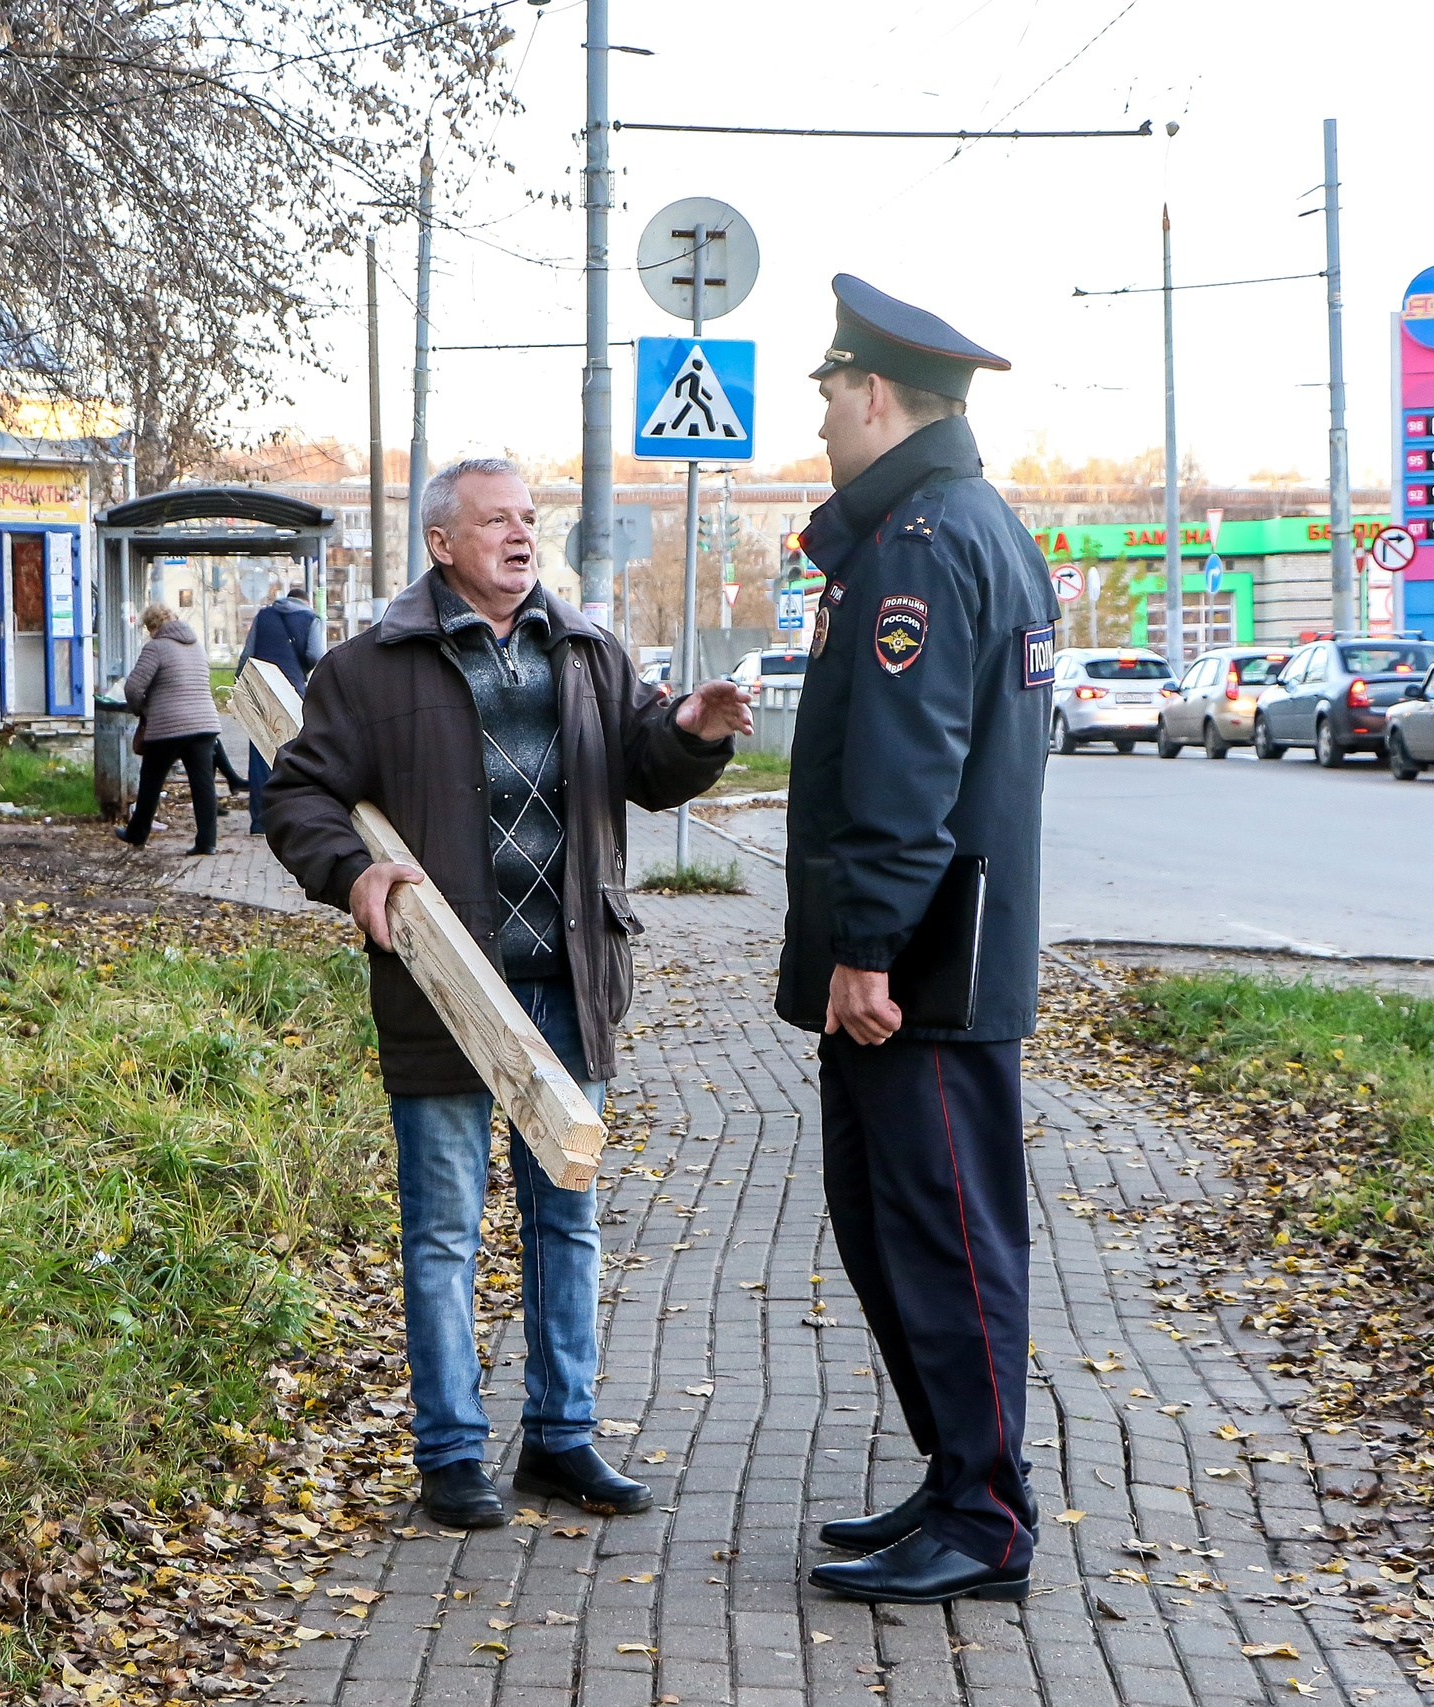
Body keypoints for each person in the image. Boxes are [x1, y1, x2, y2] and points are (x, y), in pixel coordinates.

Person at [266, 458, 752, 1529]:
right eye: (496, 521)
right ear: (443, 543)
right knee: (443, 1228)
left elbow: (645, 768)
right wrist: (353, 873)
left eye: (529, 518)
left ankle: (561, 1440)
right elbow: (296, 792)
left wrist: (693, 734)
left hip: (569, 985)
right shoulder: (367, 670)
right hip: (447, 990)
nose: (522, 535)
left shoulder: (586, 650)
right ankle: (449, 1452)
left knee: (562, 1221)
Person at [777, 275, 1056, 1606]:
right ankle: (958, 1477)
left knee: (943, 1241)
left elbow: (908, 767)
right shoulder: (958, 525)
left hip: (925, 968)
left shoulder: (927, 545)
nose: (823, 421)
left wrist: (869, 947)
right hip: (933, 954)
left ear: (874, 395)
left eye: (829, 397)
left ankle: (988, 1513)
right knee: (895, 1232)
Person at [119, 601, 224, 855]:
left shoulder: (155, 648)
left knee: (151, 782)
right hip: (205, 723)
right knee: (203, 784)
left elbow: (133, 688)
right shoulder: (197, 646)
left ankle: (137, 833)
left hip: (169, 725)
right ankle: (207, 842)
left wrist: (141, 710)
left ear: (152, 626)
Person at [237, 579, 326, 833]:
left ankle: (259, 821)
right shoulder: (311, 619)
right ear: (305, 602)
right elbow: (316, 656)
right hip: (292, 693)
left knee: (259, 755)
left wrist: (242, 690)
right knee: (293, 753)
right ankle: (290, 817)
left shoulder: (263, 615)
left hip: (260, 692)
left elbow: (247, 655)